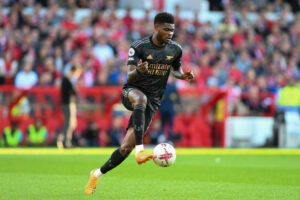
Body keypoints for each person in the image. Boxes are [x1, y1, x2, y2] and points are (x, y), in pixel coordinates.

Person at [84, 12, 194, 195]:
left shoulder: (175, 49)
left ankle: (96, 174)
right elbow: (130, 74)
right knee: (140, 99)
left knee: (125, 147)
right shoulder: (139, 46)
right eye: (166, 29)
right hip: (132, 93)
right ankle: (141, 151)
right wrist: (140, 71)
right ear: (156, 27)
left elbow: (176, 71)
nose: (170, 33)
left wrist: (184, 76)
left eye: (172, 30)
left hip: (153, 101)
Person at [57, 65, 82, 149]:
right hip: (68, 104)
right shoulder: (67, 80)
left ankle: (61, 140)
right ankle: (66, 142)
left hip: (66, 104)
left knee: (70, 124)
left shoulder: (66, 80)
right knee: (69, 124)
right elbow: (75, 92)